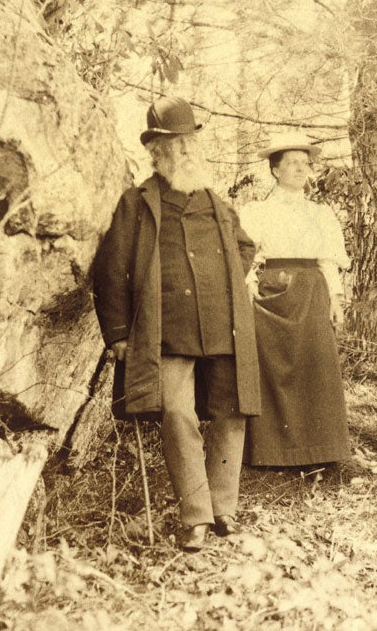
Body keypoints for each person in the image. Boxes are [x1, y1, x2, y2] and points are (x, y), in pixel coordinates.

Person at [91, 96, 260, 551]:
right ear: (155, 151)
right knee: (176, 413)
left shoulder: (217, 203)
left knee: (231, 411)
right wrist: (120, 333)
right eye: (173, 143)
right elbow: (111, 270)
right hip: (164, 331)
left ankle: (223, 507)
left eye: (189, 142)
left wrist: (222, 284)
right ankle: (195, 515)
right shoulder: (137, 202)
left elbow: (245, 247)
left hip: (223, 325)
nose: (183, 150)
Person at [239, 133, 351, 467]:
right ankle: (271, 453)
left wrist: (335, 297)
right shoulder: (255, 211)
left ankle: (320, 452)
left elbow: (328, 260)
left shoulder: (320, 214)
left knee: (315, 366)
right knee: (272, 368)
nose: (301, 169)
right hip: (271, 293)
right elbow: (245, 255)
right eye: (292, 163)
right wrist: (249, 282)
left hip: (312, 292)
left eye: (305, 163)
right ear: (275, 170)